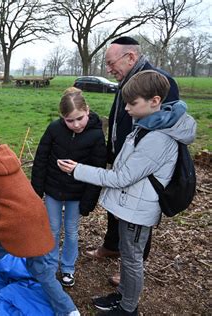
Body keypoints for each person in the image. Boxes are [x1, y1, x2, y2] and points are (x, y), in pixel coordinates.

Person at [58, 70, 196, 315]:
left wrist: (78, 170)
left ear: (154, 101)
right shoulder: (148, 125)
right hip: (132, 204)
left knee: (132, 260)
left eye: (132, 103)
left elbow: (122, 176)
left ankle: (128, 307)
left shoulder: (158, 139)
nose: (127, 109)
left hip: (138, 210)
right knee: (128, 255)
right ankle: (122, 296)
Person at [0, 131, 79, 315]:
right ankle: (69, 310)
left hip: (13, 227)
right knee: (40, 269)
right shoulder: (9, 162)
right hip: (37, 220)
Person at [88, 36, 180, 286]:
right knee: (116, 204)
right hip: (121, 155)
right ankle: (111, 245)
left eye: (110, 63)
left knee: (137, 213)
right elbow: (119, 119)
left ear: (130, 57)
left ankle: (133, 266)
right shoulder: (127, 80)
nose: (108, 69)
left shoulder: (158, 81)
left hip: (143, 165)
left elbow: (168, 126)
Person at [31, 87, 106, 287]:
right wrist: (37, 190)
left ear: (87, 110)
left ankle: (68, 268)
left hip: (77, 193)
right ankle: (49, 265)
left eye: (79, 118)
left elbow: (98, 170)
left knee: (71, 230)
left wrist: (89, 201)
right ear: (62, 118)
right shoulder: (54, 129)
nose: (75, 124)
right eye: (69, 120)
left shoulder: (97, 136)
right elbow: (41, 159)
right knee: (53, 229)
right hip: (53, 189)